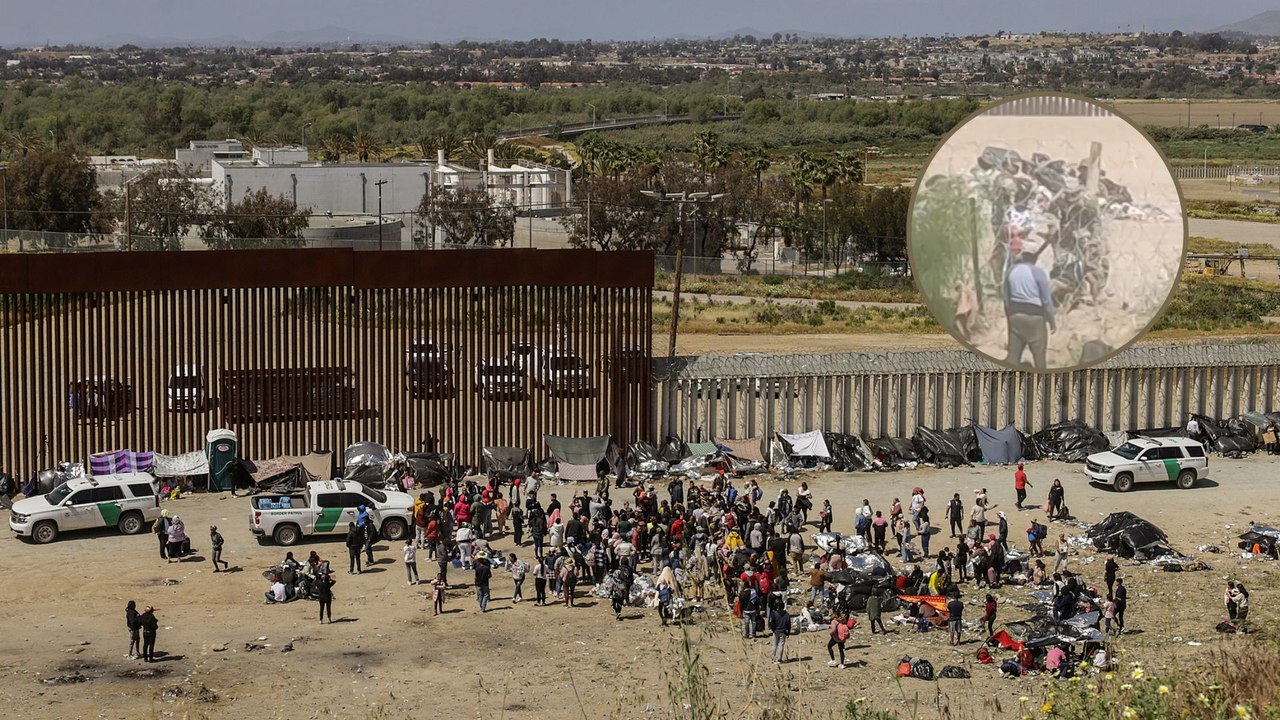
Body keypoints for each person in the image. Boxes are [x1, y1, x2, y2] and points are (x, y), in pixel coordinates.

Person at [1004, 251, 1056, 370]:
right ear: (1035, 259)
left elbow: (1006, 299)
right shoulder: (1038, 272)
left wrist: (1009, 318)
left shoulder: (1011, 270)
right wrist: (1051, 320)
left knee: (1013, 358)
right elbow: (1046, 300)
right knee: (1039, 358)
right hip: (1035, 318)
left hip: (1015, 316)